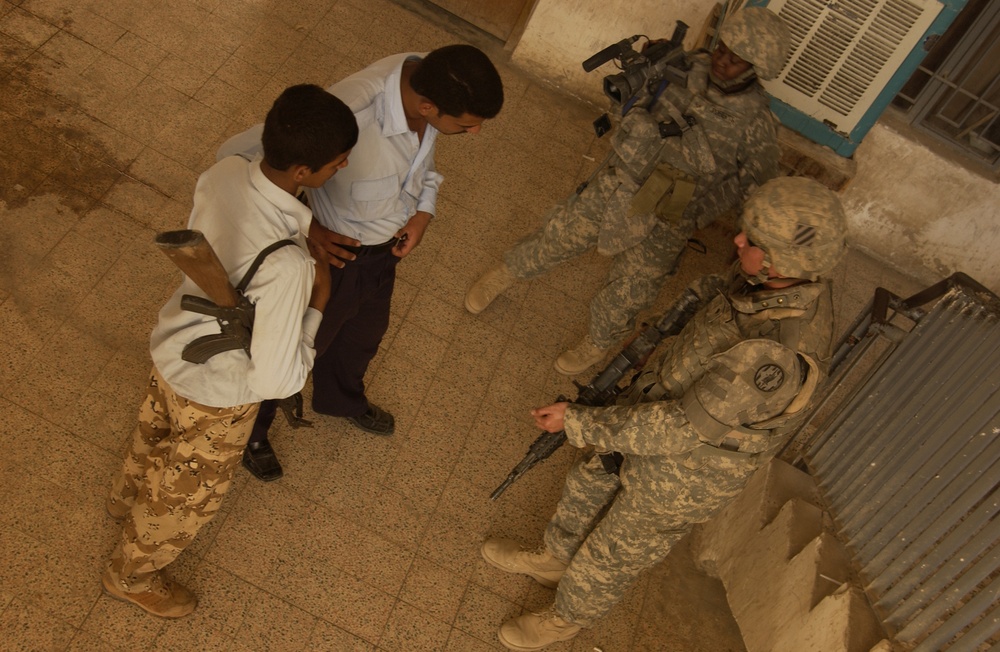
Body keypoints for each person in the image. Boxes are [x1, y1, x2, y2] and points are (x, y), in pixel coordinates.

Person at [480, 176, 848, 650]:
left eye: (751, 241)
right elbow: (720, 305)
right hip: (651, 409)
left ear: (781, 260)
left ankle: (563, 619)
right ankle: (555, 558)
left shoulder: (772, 357)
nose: (736, 240)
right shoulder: (774, 280)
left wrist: (577, 421)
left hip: (685, 473)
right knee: (588, 480)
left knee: (612, 552)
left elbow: (679, 429)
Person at [101, 84, 359, 618]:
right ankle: (132, 573)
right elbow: (275, 381)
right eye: (337, 164)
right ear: (303, 173)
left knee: (155, 429)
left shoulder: (222, 173)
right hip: (218, 393)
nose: (343, 169)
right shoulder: (290, 269)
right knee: (187, 493)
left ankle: (126, 498)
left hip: (175, 347)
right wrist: (318, 303)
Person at [219, 44, 504, 481]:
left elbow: (422, 167)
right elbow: (238, 157)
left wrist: (424, 211)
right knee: (292, 351)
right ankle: (252, 432)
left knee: (362, 338)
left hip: (382, 256)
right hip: (332, 263)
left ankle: (340, 400)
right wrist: (309, 228)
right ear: (428, 106)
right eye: (466, 126)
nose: (474, 133)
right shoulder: (351, 111)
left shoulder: (427, 75)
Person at [465, 7, 791, 376]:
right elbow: (628, 101)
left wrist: (702, 215)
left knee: (633, 288)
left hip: (673, 212)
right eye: (723, 49)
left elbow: (754, 190)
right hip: (625, 177)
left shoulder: (756, 124)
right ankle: (505, 274)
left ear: (755, 70)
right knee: (562, 234)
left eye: (735, 60)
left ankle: (596, 342)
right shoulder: (682, 65)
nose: (722, 60)